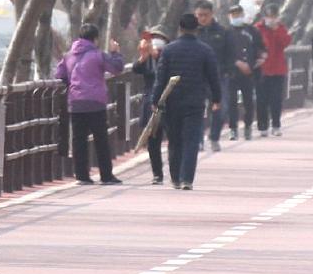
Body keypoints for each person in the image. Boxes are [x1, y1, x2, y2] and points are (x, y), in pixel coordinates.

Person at [155, 13, 221, 190]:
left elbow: (160, 78)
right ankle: (187, 179)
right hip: (195, 101)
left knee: (174, 140)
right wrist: (216, 98)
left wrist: (156, 99)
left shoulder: (169, 50)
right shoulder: (205, 50)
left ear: (180, 28)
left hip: (172, 101)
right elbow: (214, 77)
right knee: (191, 140)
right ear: (196, 29)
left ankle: (175, 177)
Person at [54, 24, 126, 183]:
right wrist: (115, 52)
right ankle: (106, 175)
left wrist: (71, 84)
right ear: (95, 39)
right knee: (101, 139)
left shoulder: (68, 56)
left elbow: (59, 74)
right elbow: (116, 68)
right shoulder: (98, 54)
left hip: (76, 102)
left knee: (79, 141)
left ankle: (82, 176)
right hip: (95, 102)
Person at [192, 1, 239, 150]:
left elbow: (231, 53)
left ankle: (214, 137)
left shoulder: (222, 32)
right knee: (196, 109)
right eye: (199, 15)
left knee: (220, 108)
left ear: (212, 14)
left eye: (205, 15)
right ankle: (198, 140)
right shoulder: (191, 33)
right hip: (196, 78)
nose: (202, 18)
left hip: (218, 78)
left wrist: (228, 71)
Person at [130, 27, 170, 183]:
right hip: (150, 103)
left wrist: (158, 56)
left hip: (168, 102)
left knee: (173, 137)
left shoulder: (169, 55)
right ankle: (157, 174)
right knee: (152, 140)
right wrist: (143, 57)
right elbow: (135, 69)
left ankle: (176, 170)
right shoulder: (146, 59)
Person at [227, 3, 265, 140]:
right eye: (233, 15)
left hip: (250, 71)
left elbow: (261, 47)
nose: (236, 17)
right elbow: (223, 53)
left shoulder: (252, 31)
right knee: (231, 101)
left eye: (238, 14)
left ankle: (248, 126)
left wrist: (261, 58)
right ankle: (233, 128)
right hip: (232, 72)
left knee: (248, 101)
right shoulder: (226, 32)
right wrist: (236, 63)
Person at [254, 7, 293, 134]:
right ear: (264, 16)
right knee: (261, 99)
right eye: (269, 16)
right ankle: (262, 126)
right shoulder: (257, 28)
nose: (272, 19)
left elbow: (286, 42)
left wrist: (276, 31)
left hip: (278, 69)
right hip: (261, 69)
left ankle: (276, 125)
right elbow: (252, 45)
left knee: (276, 99)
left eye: (274, 16)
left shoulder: (281, 28)